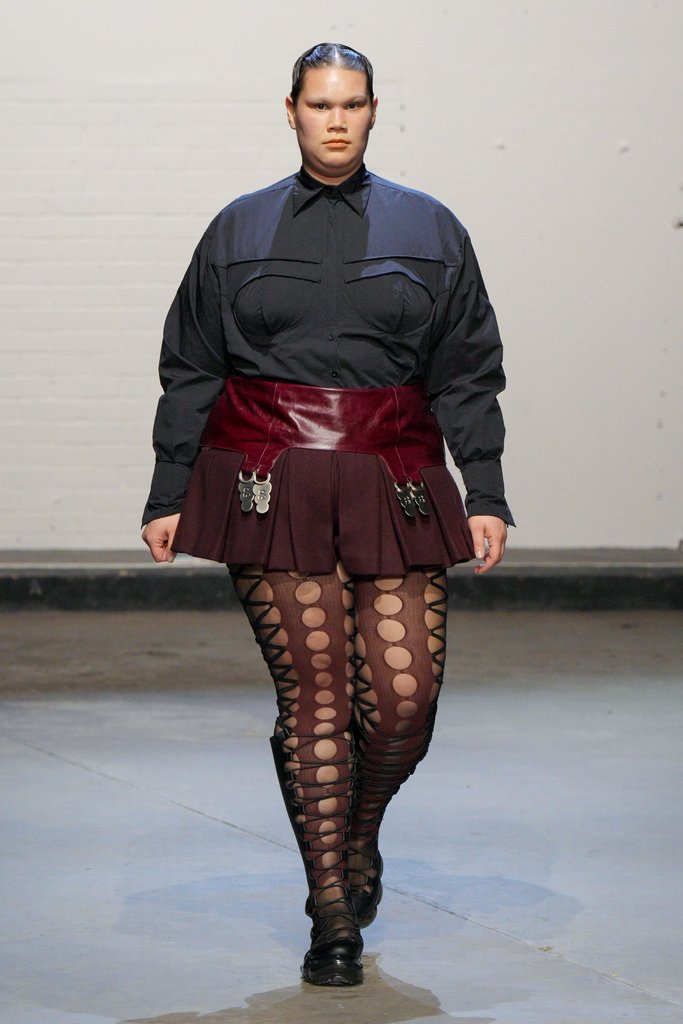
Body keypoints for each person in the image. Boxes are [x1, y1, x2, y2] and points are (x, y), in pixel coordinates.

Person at [141, 42, 514, 987]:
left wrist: (485, 488)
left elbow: (466, 368)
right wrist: (168, 488)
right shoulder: (237, 227)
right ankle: (331, 910)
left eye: (351, 104)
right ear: (291, 110)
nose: (335, 120)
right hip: (271, 477)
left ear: (374, 110)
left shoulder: (430, 226)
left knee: (401, 706)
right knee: (313, 699)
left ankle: (358, 833)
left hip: (395, 473)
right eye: (319, 104)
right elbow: (192, 362)